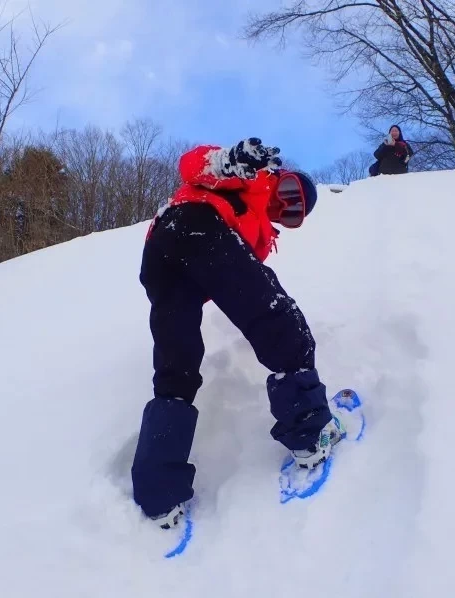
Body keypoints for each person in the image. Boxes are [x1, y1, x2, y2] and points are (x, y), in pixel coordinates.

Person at [132, 138, 343, 529]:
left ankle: (159, 494)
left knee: (175, 371)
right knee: (282, 325)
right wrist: (230, 162)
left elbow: (225, 282)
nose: (286, 206)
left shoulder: (262, 231)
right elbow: (192, 166)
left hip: (163, 257)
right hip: (192, 225)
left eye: (295, 212)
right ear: (282, 178)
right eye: (291, 193)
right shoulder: (255, 178)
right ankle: (311, 433)